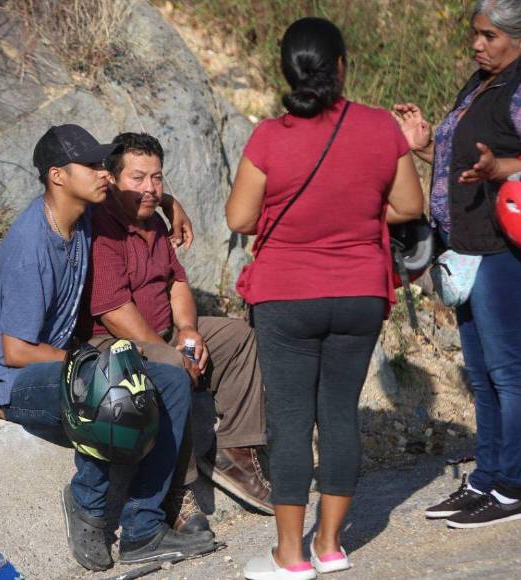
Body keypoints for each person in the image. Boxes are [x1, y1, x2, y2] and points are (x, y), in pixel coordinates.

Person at [227, 18, 423, 580]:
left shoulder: (270, 136)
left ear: (287, 70)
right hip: (360, 291)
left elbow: (240, 217)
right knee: (339, 414)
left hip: (286, 294)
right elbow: (408, 206)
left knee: (291, 421)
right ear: (340, 66)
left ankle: (290, 556)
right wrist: (355, 212)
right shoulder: (380, 127)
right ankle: (330, 546)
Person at [0, 124, 215, 571]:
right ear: (58, 176)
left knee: (171, 380)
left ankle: (143, 530)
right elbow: (16, 351)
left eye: (105, 165)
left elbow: (136, 197)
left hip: (58, 366)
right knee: (110, 387)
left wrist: (170, 203)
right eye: (92, 166)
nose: (105, 174)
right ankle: (87, 506)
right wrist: (95, 363)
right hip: (14, 384)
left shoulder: (82, 216)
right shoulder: (31, 245)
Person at [80, 132, 273, 536]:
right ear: (112, 179)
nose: (150, 188)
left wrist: (187, 329)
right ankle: (176, 490)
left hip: (163, 330)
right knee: (170, 368)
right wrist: (170, 352)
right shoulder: (101, 227)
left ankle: (236, 452)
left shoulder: (152, 217)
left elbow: (177, 282)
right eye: (138, 178)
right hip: (113, 345)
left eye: (157, 177)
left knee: (239, 336)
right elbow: (114, 312)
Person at [394, 0, 521, 530]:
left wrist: (503, 166)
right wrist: (426, 147)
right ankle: (486, 477)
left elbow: (498, 163)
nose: (477, 44)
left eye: (489, 36)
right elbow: (464, 163)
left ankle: (512, 485)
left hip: (500, 249)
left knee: (508, 373)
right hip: (463, 247)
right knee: (481, 374)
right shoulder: (480, 84)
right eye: (475, 34)